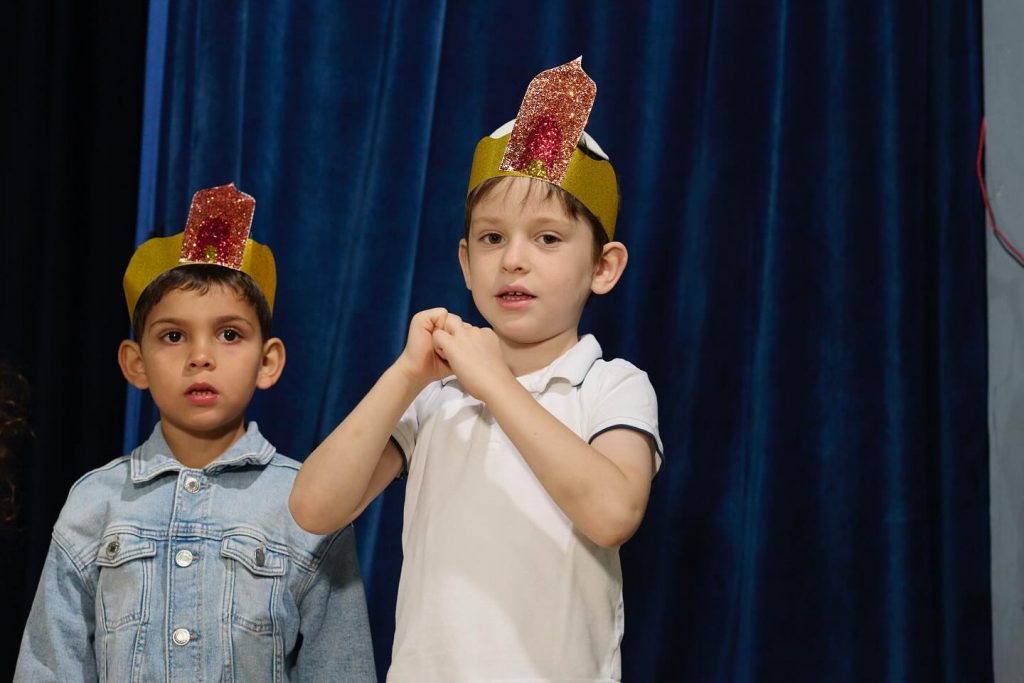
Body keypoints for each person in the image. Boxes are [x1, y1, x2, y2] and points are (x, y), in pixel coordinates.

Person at [290, 58, 663, 681]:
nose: (513, 260)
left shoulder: (611, 384)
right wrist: (406, 376)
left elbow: (612, 512)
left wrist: (493, 380)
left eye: (547, 238)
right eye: (492, 239)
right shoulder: (437, 395)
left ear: (604, 267)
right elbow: (313, 507)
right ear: (466, 263)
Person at [15, 184, 376, 682]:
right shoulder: (95, 503)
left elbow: (340, 667)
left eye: (230, 334)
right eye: (173, 335)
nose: (200, 356)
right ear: (135, 363)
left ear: (267, 361)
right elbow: (49, 666)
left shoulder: (312, 504)